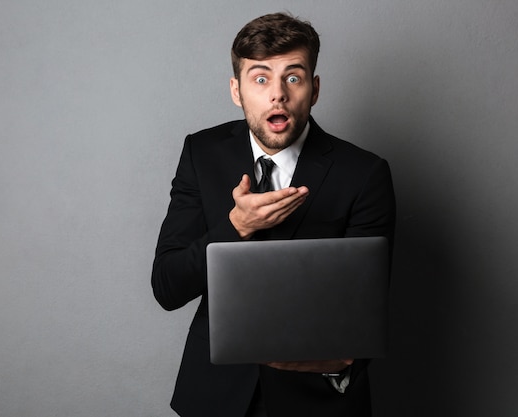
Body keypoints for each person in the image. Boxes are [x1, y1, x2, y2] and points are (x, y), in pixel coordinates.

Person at [152, 12, 396, 417]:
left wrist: (339, 363)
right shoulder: (201, 153)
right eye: (260, 78)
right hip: (214, 398)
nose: (277, 94)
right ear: (237, 90)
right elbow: (167, 286)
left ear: (314, 89)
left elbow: (367, 312)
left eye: (293, 78)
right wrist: (236, 227)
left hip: (316, 402)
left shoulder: (365, 173)